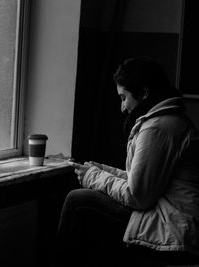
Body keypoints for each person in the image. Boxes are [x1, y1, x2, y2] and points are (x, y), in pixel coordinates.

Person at [54, 57, 199, 266]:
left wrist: (94, 177)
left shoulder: (158, 127)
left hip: (174, 227)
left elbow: (137, 195)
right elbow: (145, 182)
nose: (122, 107)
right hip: (173, 216)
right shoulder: (169, 121)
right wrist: (103, 171)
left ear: (144, 93)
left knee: (77, 200)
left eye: (124, 98)